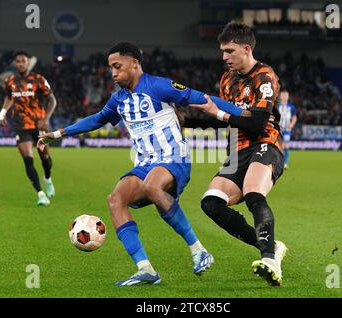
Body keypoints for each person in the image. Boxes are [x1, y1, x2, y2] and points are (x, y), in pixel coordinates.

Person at [37, 42, 244, 286]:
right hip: (145, 163)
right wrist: (59, 133)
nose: (113, 73)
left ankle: (198, 250)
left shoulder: (158, 86)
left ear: (134, 63)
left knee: (151, 186)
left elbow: (202, 98)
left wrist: (246, 114)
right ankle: (145, 268)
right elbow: (97, 119)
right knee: (115, 200)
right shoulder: (119, 100)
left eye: (117, 67)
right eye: (110, 68)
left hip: (173, 158)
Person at [189, 23, 288, 286]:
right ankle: (270, 246)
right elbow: (226, 122)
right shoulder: (227, 79)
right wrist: (186, 122)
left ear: (246, 49)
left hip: (265, 143)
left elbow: (256, 124)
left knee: (254, 194)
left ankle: (270, 261)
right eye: (222, 51)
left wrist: (219, 113)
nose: (224, 57)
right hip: (237, 150)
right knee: (211, 203)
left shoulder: (265, 77)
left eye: (230, 51)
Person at [0, 51, 57, 206]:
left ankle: (48, 178)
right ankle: (41, 194)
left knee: (45, 158)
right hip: (21, 126)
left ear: (28, 63)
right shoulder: (10, 81)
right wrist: (3, 112)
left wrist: (46, 119)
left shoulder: (38, 79)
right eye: (17, 61)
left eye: (23, 61)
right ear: (15, 63)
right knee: (28, 160)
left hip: (39, 125)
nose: (20, 64)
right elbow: (9, 97)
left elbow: (52, 100)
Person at [278, 88, 297, 169]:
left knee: (285, 145)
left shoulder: (291, 107)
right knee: (279, 145)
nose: (284, 96)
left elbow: (294, 117)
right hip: (278, 129)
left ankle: (285, 162)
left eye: (286, 95)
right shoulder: (277, 105)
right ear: (280, 96)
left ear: (288, 96)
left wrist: (291, 125)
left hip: (287, 129)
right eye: (283, 95)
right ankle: (278, 162)